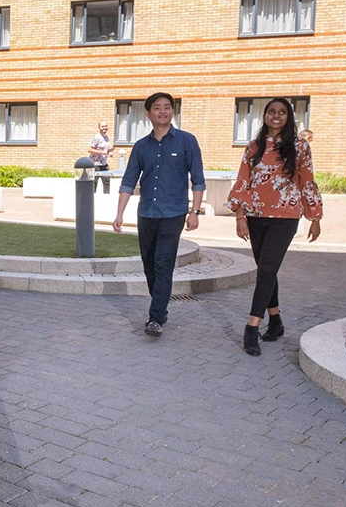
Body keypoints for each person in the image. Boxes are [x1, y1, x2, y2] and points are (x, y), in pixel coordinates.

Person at [226, 98, 323, 356]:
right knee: (266, 270)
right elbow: (243, 181)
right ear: (265, 116)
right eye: (271, 112)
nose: (276, 116)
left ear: (288, 117)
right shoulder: (254, 147)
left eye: (282, 112)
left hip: (286, 217)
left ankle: (251, 326)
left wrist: (315, 218)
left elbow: (307, 181)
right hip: (256, 216)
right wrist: (240, 216)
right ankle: (276, 320)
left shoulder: (300, 147)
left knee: (266, 271)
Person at [112, 93, 205, 337]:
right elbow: (128, 181)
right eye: (157, 108)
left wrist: (195, 212)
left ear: (172, 111)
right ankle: (160, 309)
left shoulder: (186, 141)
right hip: (146, 213)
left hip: (173, 213)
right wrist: (119, 213)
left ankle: (155, 318)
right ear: (148, 113)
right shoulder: (141, 146)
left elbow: (198, 179)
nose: (162, 112)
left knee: (163, 264)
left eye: (167, 107)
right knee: (149, 265)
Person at [87, 121, 115, 193]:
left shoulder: (107, 138)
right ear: (99, 127)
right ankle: (92, 198)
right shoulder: (97, 137)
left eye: (106, 126)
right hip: (95, 164)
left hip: (104, 164)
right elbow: (89, 150)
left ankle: (106, 197)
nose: (104, 128)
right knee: (93, 184)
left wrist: (109, 152)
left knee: (107, 182)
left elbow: (105, 150)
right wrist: (102, 152)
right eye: (102, 126)